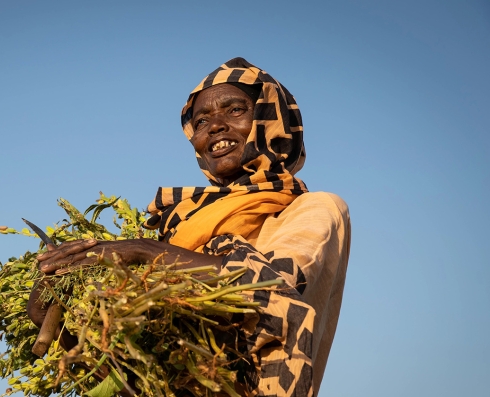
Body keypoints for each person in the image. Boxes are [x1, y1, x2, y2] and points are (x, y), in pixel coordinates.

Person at [28, 57, 351, 397]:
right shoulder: (181, 225)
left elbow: (273, 283)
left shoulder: (314, 208)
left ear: (269, 119)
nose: (215, 126)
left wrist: (141, 250)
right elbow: (133, 377)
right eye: (201, 121)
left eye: (235, 110)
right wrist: (70, 328)